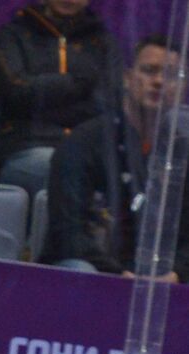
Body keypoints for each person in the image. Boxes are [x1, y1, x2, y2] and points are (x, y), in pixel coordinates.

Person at [43, 35, 188, 282]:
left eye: (171, 75)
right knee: (79, 270)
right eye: (149, 71)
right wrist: (119, 275)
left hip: (163, 283)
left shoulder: (182, 152)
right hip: (95, 272)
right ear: (128, 78)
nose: (159, 82)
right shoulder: (82, 144)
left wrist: (176, 274)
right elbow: (68, 233)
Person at [0, 0, 120, 200]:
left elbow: (108, 102)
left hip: (86, 147)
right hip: (28, 145)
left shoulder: (103, 41)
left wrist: (45, 96)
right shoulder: (14, 34)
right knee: (64, 171)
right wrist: (79, 82)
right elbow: (16, 93)